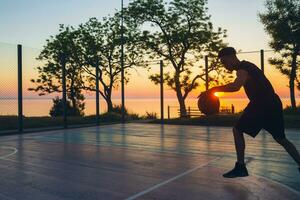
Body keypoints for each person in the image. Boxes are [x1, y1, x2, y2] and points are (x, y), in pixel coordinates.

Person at [201, 47, 300, 178]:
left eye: (225, 62)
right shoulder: (246, 67)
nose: (224, 66)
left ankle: (241, 167)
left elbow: (235, 86)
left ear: (231, 57)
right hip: (273, 103)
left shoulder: (243, 68)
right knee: (281, 138)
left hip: (262, 103)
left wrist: (212, 90)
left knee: (237, 130)